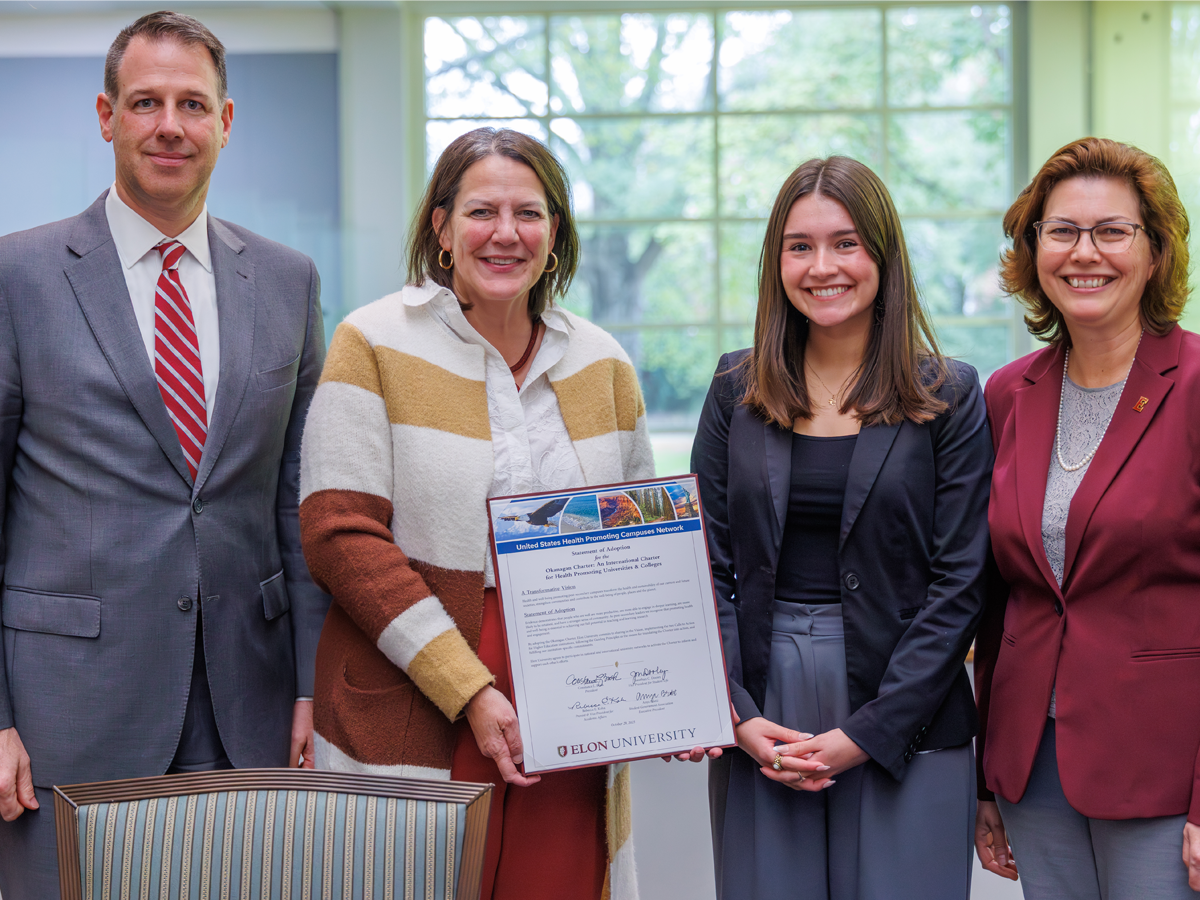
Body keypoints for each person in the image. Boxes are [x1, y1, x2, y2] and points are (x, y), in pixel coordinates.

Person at [0, 11, 329, 898]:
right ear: (106, 116)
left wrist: (308, 687)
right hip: (65, 708)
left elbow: (298, 502)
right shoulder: (18, 276)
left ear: (227, 122)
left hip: (246, 704)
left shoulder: (288, 279)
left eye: (193, 103)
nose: (169, 125)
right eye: (146, 102)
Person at [299, 127, 659, 900]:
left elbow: (640, 549)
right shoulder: (373, 341)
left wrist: (663, 701)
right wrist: (470, 687)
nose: (505, 234)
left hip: (571, 703)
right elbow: (339, 535)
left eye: (528, 213)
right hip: (419, 688)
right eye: (480, 211)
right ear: (440, 227)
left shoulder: (602, 363)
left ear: (555, 231)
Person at [694, 156, 992, 900]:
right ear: (777, 262)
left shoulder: (948, 394)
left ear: (883, 257)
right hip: (764, 704)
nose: (822, 266)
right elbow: (705, 565)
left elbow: (960, 581)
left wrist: (869, 733)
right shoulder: (735, 391)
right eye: (800, 246)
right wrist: (734, 713)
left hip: (908, 709)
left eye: (846, 243)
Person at [974, 136, 1200, 898]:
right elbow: (996, 595)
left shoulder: (1197, 387)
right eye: (1062, 230)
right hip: (1031, 763)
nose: (1085, 253)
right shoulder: (1007, 394)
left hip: (1166, 769)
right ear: (1034, 249)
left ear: (1157, 249)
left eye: (1113, 231)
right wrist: (984, 778)